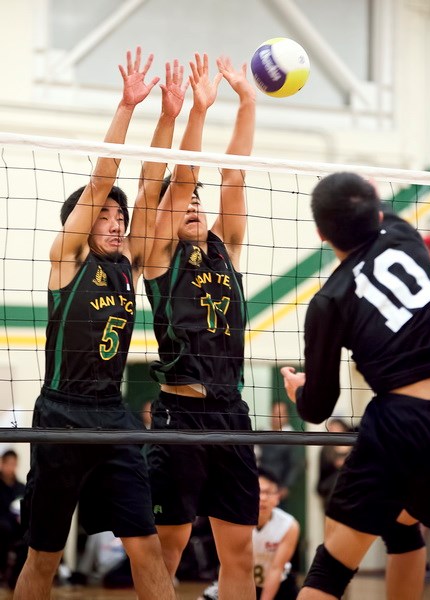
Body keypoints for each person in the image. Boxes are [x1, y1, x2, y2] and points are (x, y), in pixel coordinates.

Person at [13, 47, 189, 600]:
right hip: (60, 414)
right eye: (104, 216)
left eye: (120, 217)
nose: (115, 222)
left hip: (111, 415)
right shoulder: (66, 259)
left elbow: (151, 186)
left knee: (145, 542)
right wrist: (126, 107)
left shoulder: (128, 264)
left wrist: (168, 116)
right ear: (83, 224)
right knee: (43, 555)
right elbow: (103, 182)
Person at [281, 172, 430, 600]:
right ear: (376, 211)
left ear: (321, 233)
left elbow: (319, 407)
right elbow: (380, 211)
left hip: (405, 421)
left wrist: (298, 390)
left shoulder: (328, 301)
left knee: (332, 566)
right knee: (403, 522)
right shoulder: (405, 236)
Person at [143, 54, 259, 600]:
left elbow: (232, 173)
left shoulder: (225, 247)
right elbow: (185, 171)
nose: (191, 202)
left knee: (241, 553)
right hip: (179, 414)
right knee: (168, 549)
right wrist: (197, 110)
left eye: (197, 200)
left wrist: (248, 100)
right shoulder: (159, 255)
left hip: (232, 412)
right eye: (181, 200)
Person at [200, 467, 300, 600]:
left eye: (268, 492)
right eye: (258, 491)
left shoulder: (289, 525)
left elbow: (276, 569)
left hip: (278, 585)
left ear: (278, 496)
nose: (263, 498)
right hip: (239, 582)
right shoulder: (234, 521)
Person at [258, 402, 304, 507]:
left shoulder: (292, 437)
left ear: (287, 416)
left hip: (277, 489)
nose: (276, 417)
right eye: (274, 413)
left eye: (280, 413)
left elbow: (296, 464)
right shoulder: (262, 434)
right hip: (260, 487)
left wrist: (285, 487)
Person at [0, 450, 26, 583]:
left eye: (14, 464)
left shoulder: (21, 487)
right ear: (2, 464)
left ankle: (17, 578)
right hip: (3, 526)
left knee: (29, 535)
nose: (11, 467)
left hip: (17, 527)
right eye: (8, 463)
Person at [316, 418, 351, 511]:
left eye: (336, 428)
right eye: (330, 428)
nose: (333, 430)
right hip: (330, 491)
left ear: (343, 428)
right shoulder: (326, 449)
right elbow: (322, 471)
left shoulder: (353, 445)